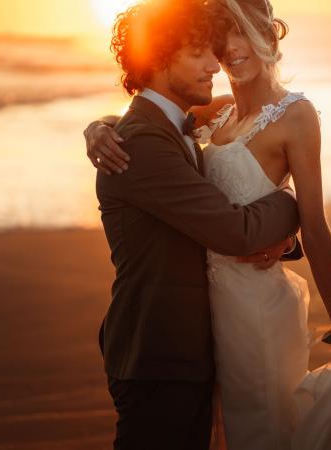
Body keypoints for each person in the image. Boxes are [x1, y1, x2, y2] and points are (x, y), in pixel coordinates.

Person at [88, 1, 305, 449]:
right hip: (158, 353)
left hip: (185, 351)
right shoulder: (142, 145)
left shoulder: (174, 127)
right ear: (157, 60)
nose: (215, 65)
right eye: (198, 54)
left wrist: (100, 123)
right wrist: (290, 204)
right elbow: (234, 232)